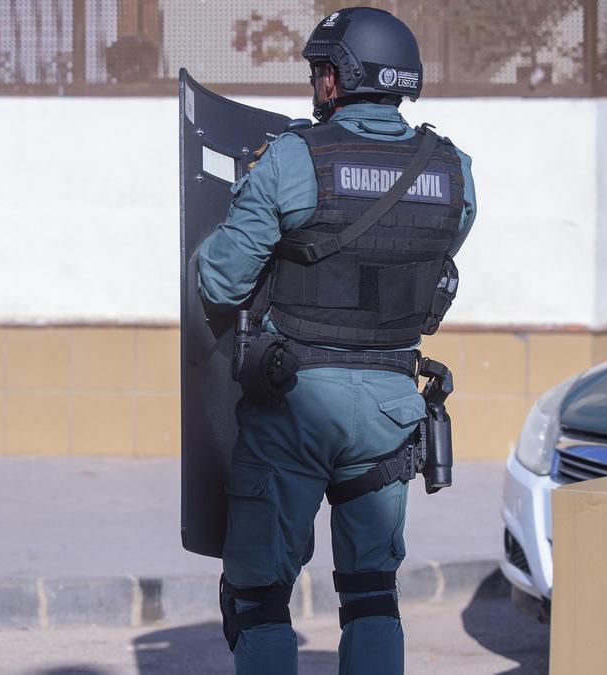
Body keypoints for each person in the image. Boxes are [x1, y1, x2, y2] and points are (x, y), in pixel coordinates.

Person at [194, 7, 478, 674]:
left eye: (319, 69)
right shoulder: (452, 172)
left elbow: (220, 281)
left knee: (260, 597)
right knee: (374, 595)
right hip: (389, 406)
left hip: (292, 403)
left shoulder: (293, 160)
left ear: (335, 80)